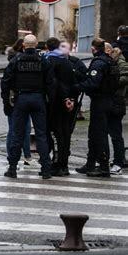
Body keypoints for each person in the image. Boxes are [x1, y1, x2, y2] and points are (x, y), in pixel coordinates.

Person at [1, 34, 55, 179]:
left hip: (21, 99)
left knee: (17, 135)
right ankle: (46, 169)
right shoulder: (43, 61)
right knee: (41, 135)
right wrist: (50, 105)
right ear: (37, 45)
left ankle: (12, 168)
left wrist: (6, 103)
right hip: (39, 99)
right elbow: (51, 85)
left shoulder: (16, 61)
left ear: (24, 45)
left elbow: (5, 82)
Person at [74, 38, 118, 177]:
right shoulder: (110, 61)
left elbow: (93, 83)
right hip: (109, 100)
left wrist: (76, 87)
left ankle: (103, 166)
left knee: (99, 134)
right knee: (94, 133)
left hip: (100, 101)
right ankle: (90, 163)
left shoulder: (99, 63)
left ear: (93, 48)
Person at [44, 38, 76, 176]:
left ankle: (57, 164)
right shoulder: (67, 62)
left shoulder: (50, 61)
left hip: (55, 103)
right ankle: (64, 164)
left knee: (55, 134)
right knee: (65, 133)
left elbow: (53, 83)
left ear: (47, 47)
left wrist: (64, 98)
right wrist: (71, 99)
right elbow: (73, 82)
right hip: (67, 103)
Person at [5, 38, 34, 168]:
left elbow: (5, 83)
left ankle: (11, 157)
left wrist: (6, 99)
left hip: (12, 99)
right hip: (20, 98)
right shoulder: (19, 61)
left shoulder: (12, 61)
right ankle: (27, 156)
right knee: (25, 129)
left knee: (13, 129)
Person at [105, 43, 128, 175]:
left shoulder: (121, 62)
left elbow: (124, 78)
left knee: (115, 134)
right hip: (112, 100)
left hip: (117, 101)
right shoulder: (113, 61)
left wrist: (111, 81)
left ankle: (118, 162)